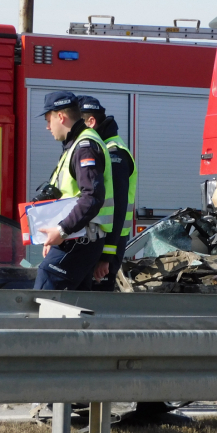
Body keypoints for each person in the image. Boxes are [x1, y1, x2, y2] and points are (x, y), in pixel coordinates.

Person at [33, 91, 115, 291]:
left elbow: (92, 197)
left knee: (44, 293)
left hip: (78, 239)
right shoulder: (76, 145)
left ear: (61, 117)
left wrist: (62, 231)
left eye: (48, 120)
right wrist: (55, 233)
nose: (47, 127)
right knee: (75, 303)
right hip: (77, 238)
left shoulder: (84, 147)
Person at [77, 95, 137, 292]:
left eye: (78, 123)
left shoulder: (114, 153)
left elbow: (118, 207)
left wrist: (106, 256)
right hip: (101, 241)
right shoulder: (103, 149)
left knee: (97, 302)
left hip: (109, 243)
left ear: (91, 122)